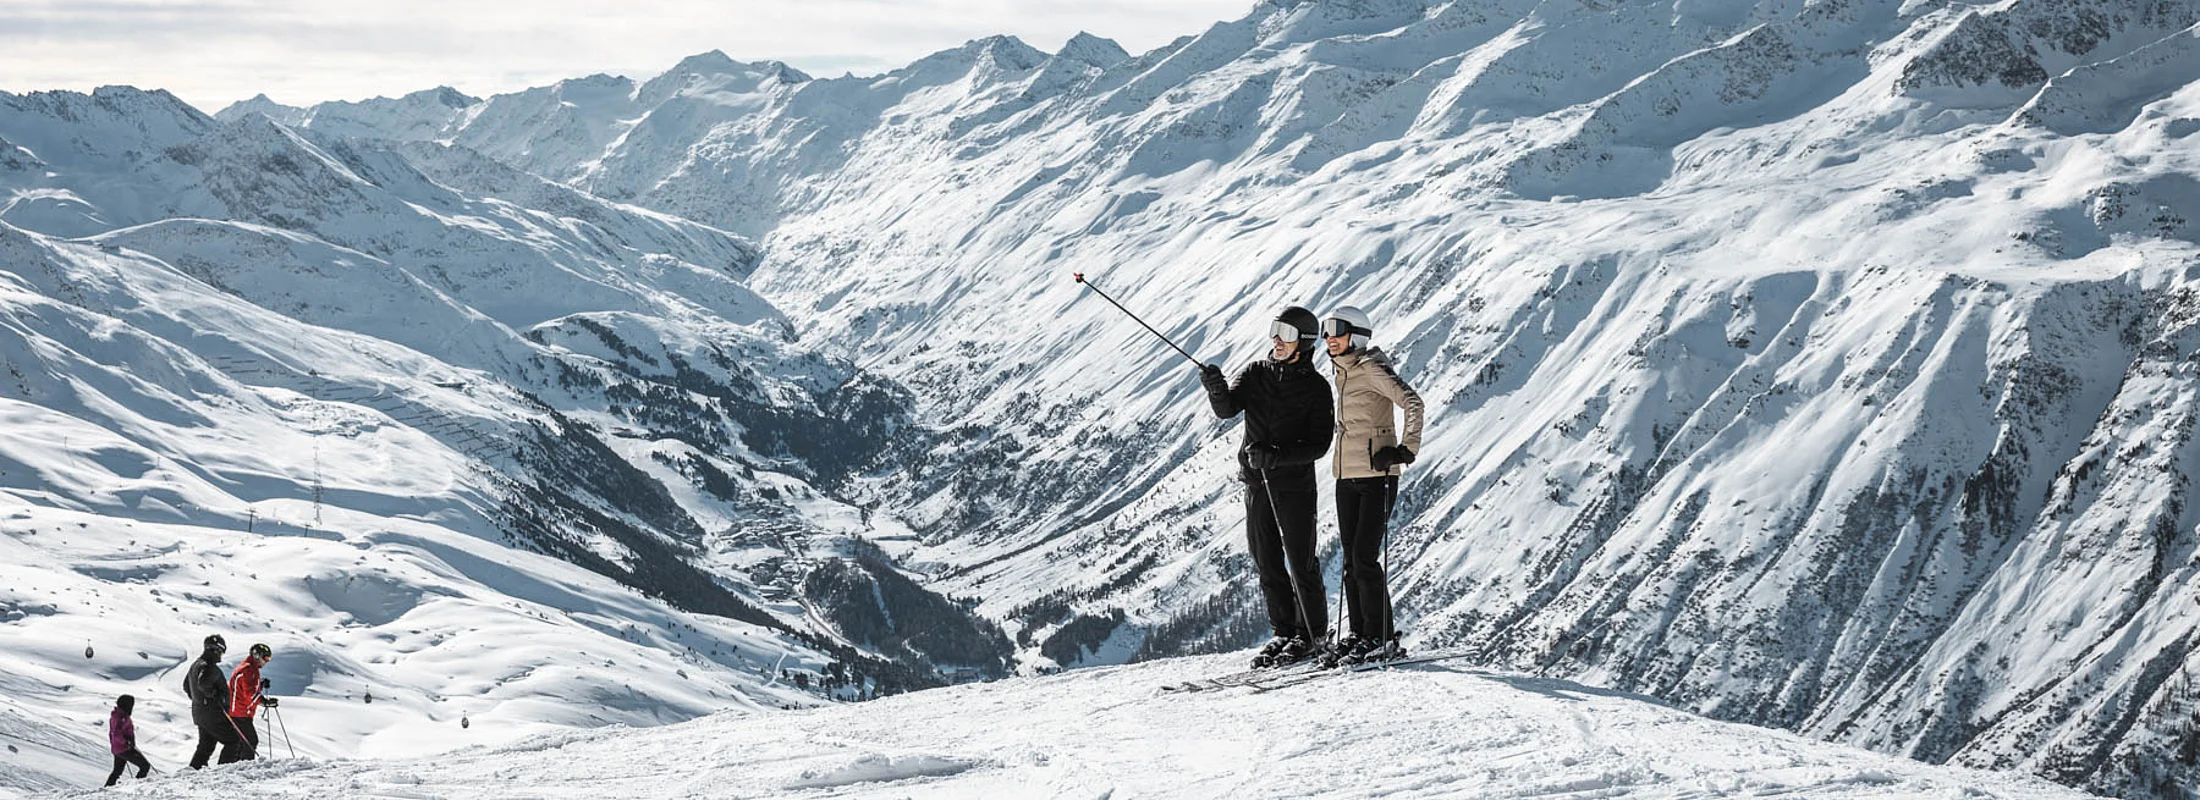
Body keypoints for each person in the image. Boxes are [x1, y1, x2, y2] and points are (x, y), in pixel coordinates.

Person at [1199, 306, 1335, 668]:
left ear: (1303, 343)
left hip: (1293, 487)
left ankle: (1312, 635)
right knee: (1267, 560)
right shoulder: (1257, 373)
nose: (1277, 339)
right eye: (1275, 330)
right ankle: (1284, 631)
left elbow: (1319, 444)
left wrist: (1276, 457)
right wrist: (1216, 390)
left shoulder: (1316, 388)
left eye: (1286, 334)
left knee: (1301, 561)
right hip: (1257, 484)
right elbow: (1228, 408)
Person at [1319, 306, 1424, 666]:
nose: (1329, 337)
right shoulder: (1343, 371)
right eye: (1326, 330)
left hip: (1378, 477)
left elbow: (1412, 402)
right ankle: (1360, 633)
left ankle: (1381, 636)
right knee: (1351, 560)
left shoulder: (1371, 369)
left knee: (1364, 558)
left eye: (1338, 329)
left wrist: (1405, 450)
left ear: (1357, 335)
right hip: (1346, 476)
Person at [182, 634, 236, 769]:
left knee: (206, 746)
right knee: (233, 740)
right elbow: (204, 683)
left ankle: (193, 771)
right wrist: (215, 697)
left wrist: (199, 700)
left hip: (200, 713)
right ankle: (224, 772)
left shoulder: (195, 665)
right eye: (221, 652)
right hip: (213, 714)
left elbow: (186, 686)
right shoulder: (209, 666)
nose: (221, 656)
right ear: (216, 650)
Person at [223, 643, 276, 763]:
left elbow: (246, 687)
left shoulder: (248, 668)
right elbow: (250, 695)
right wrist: (265, 702)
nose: (266, 662)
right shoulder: (248, 670)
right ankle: (244, 768)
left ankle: (235, 767)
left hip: (238, 711)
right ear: (257, 656)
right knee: (250, 742)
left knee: (242, 743)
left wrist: (260, 684)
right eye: (265, 658)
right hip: (240, 712)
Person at [105, 694, 151, 786]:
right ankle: (136, 786)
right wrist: (126, 742)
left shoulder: (119, 715)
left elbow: (113, 733)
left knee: (117, 771)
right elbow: (116, 733)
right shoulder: (120, 717)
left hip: (119, 748)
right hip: (124, 748)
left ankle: (106, 788)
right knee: (145, 766)